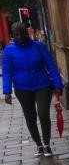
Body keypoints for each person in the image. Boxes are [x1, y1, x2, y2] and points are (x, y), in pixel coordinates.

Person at [2, 22, 63, 156]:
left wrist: (58, 84)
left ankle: (46, 144)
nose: (20, 37)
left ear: (26, 33)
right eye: (16, 35)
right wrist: (7, 91)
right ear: (13, 35)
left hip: (42, 85)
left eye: (22, 34)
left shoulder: (38, 46)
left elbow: (51, 65)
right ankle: (39, 145)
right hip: (22, 88)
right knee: (30, 117)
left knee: (43, 112)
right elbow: (7, 71)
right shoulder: (9, 50)